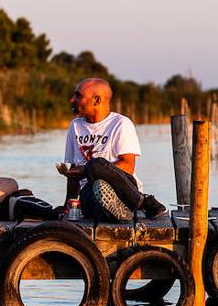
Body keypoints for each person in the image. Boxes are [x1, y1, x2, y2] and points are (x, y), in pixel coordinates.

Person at [56, 78, 167, 221]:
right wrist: (67, 205)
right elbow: (72, 173)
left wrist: (85, 170)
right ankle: (122, 212)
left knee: (95, 165)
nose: (72, 100)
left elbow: (128, 167)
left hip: (124, 190)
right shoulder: (75, 126)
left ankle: (139, 202)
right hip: (90, 192)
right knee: (93, 198)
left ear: (96, 101)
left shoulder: (121, 124)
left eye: (78, 96)